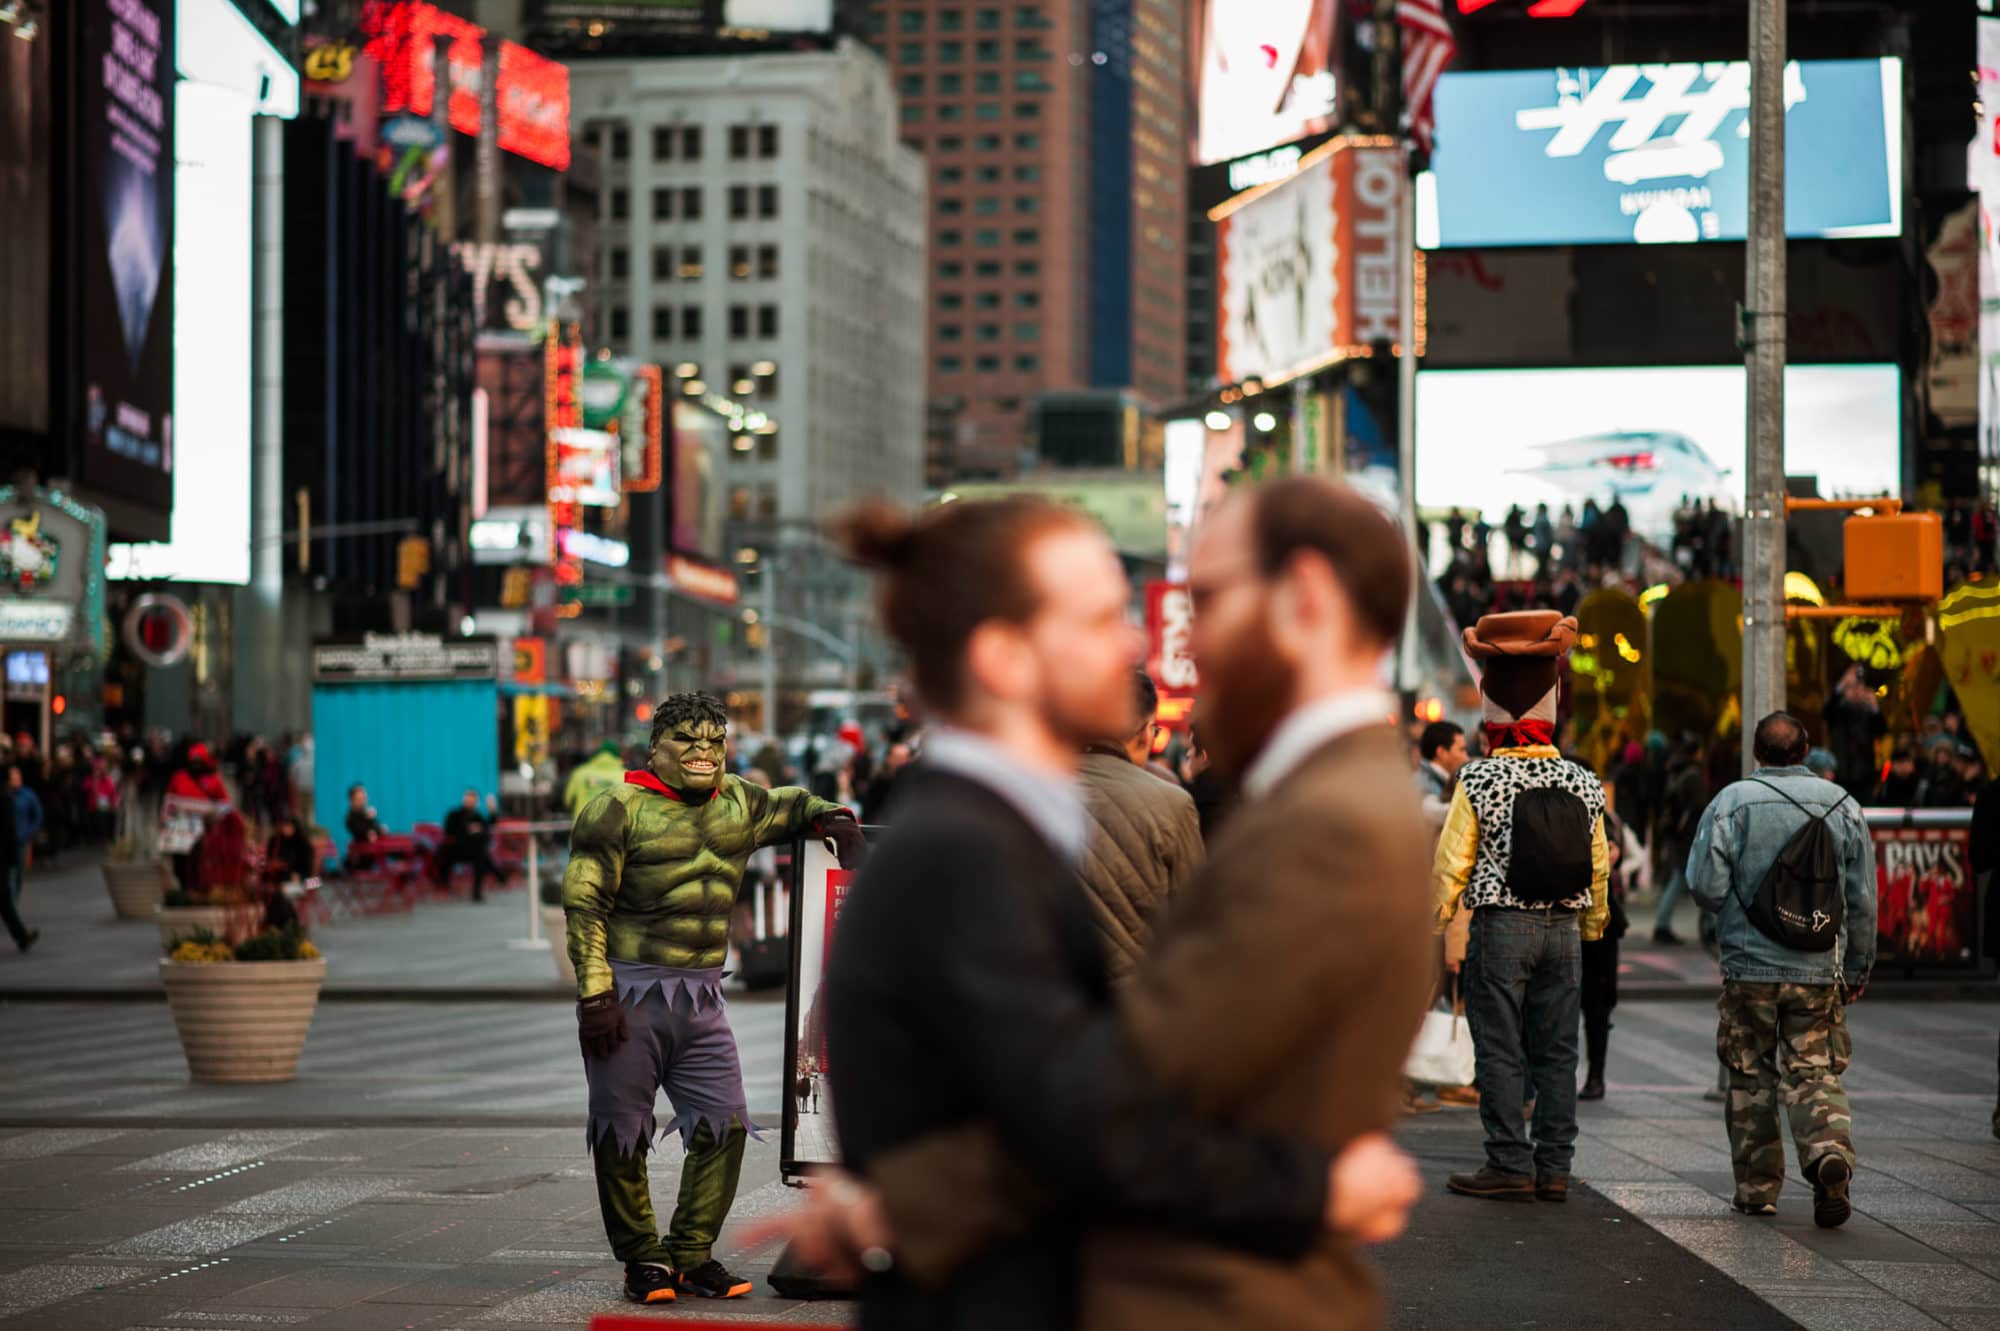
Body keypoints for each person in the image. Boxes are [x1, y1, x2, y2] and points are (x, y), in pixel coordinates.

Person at [817, 482, 1431, 1331]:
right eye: (1103, 618)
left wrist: (887, 1208)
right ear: (1004, 657)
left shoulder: (1325, 818)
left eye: (1206, 598)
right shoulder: (964, 846)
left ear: (1307, 598)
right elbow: (1101, 1109)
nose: (1152, 638)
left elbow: (1117, 1097)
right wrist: (1317, 1188)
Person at [563, 691, 862, 1306]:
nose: (704, 753)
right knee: (623, 1132)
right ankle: (641, 1257)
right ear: (657, 747)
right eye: (688, 741)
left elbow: (791, 804)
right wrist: (595, 994)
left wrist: (832, 815)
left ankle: (691, 1253)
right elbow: (584, 902)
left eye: (714, 741)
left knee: (723, 1126)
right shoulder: (616, 809)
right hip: (628, 991)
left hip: (701, 996)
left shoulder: (739, 802)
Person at [1433, 610, 1610, 1203]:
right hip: (1563, 928)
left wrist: (1433, 921)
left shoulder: (1477, 780)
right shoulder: (1584, 782)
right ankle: (1555, 1168)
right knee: (1558, 1050)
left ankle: (1509, 1161)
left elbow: (1452, 862)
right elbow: (1599, 866)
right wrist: (1591, 925)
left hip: (1502, 926)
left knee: (1501, 1046)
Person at [1686, 711, 1876, 1227]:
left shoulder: (1730, 802)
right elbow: (1860, 900)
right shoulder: (1845, 806)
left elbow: (1705, 886)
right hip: (1817, 970)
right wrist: (1857, 966)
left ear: (1756, 751)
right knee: (1814, 1069)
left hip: (1749, 968)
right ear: (1807, 749)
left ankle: (1757, 1188)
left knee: (1749, 1075)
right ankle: (1826, 1153)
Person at [1076, 668, 1204, 979]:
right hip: (1143, 997)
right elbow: (1197, 918)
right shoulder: (1172, 803)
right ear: (1146, 731)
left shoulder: (1039, 793)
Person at [1580, 788, 1637, 1101]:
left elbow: (1621, 858)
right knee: (1592, 1004)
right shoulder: (1587, 818)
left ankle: (1595, 1075)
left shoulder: (1606, 821)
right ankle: (1591, 1076)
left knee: (1597, 1005)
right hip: (1589, 921)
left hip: (1602, 921)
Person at [1653, 737, 1708, 945]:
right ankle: (1662, 924)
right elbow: (1699, 807)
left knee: (1685, 878)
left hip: (1675, 834)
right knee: (1684, 879)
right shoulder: (1692, 775)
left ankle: (1664, 924)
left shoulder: (1675, 772)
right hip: (1688, 836)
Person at [1823, 665, 1885, 803]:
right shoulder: (1837, 712)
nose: (1856, 691)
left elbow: (1881, 729)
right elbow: (1826, 711)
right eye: (1852, 688)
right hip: (1841, 775)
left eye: (1860, 688)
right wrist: (1843, 683)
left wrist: (1874, 706)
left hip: (1864, 778)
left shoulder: (1868, 713)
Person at [437, 788, 502, 902]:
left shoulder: (477, 816)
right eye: (468, 799)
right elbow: (448, 831)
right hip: (455, 850)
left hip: (473, 851)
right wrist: (467, 829)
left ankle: (479, 891)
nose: (470, 801)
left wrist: (492, 810)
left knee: (481, 854)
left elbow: (489, 825)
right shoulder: (454, 814)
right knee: (482, 855)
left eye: (473, 800)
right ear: (464, 799)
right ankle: (499, 876)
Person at [564, 739, 626, 820]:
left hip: (583, 828)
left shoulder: (580, 773)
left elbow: (567, 801)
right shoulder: (625, 776)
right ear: (617, 756)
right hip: (613, 830)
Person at [1415, 720, 1469, 810]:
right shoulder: (1425, 786)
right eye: (1462, 750)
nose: (1466, 757)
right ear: (1441, 752)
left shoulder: (1435, 780)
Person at [9, 765, 41, 895]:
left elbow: (38, 815)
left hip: (22, 839)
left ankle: (13, 900)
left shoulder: (28, 794)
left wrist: (29, 832)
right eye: (12, 778)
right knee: (9, 874)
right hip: (7, 840)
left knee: (19, 873)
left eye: (17, 777)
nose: (15, 780)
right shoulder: (5, 794)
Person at [344, 784, 384, 870]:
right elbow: (364, 833)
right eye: (359, 799)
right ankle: (312, 881)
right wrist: (371, 822)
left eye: (364, 798)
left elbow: (377, 832)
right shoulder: (351, 817)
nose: (363, 801)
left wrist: (373, 821)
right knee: (315, 880)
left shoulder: (365, 815)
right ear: (352, 800)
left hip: (370, 855)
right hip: (359, 859)